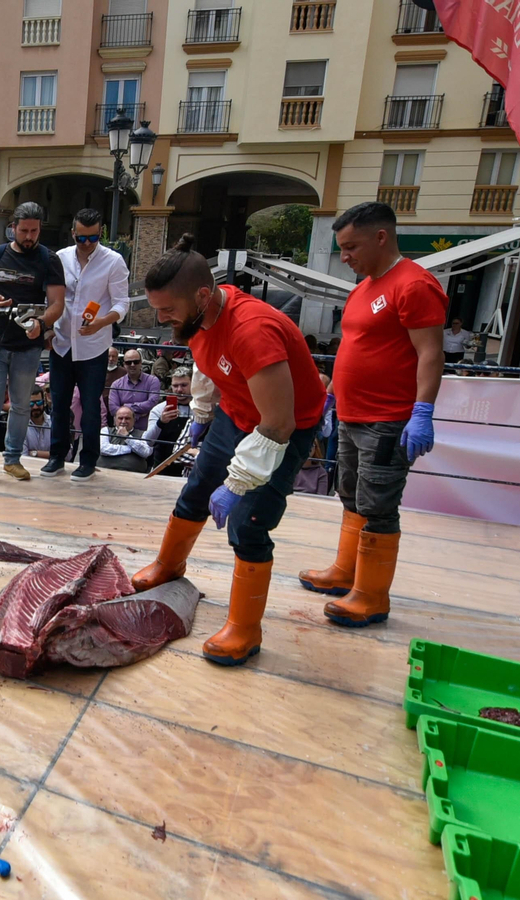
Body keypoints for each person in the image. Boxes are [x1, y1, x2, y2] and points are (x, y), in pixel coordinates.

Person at [132, 234, 326, 667]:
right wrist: (201, 416)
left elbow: (279, 422)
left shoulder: (252, 330)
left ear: (202, 294)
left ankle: (245, 627)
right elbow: (208, 368)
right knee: (196, 489)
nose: (161, 319)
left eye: (167, 310)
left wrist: (239, 481)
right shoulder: (197, 317)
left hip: (283, 428)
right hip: (235, 413)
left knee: (249, 521)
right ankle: (169, 564)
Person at [298, 202, 445, 628]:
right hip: (350, 413)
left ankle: (372, 595)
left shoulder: (414, 285)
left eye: (351, 247)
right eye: (342, 248)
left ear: (381, 237)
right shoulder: (364, 287)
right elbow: (353, 346)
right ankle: (346, 573)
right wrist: (330, 393)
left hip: (387, 419)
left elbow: (430, 352)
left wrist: (423, 410)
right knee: (350, 493)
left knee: (379, 504)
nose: (345, 257)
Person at [0, 204, 65, 485]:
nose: (29, 236)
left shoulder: (49, 259)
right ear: (13, 228)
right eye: (24, 231)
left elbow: (58, 304)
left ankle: (12, 460)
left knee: (21, 405)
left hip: (28, 346)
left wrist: (42, 324)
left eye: (34, 230)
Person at [41, 208, 130, 481]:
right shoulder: (60, 258)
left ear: (100, 233)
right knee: (59, 404)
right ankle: (57, 456)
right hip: (62, 342)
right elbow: (48, 297)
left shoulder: (113, 261)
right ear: (73, 234)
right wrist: (47, 334)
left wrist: (102, 322)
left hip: (94, 346)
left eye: (93, 238)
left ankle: (88, 460)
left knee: (91, 406)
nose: (88, 244)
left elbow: (122, 302)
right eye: (82, 238)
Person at [143, 366, 195, 472]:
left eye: (184, 385)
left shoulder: (202, 410)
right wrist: (161, 422)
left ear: (193, 384)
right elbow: (148, 441)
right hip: (162, 467)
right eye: (175, 386)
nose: (179, 389)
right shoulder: (159, 409)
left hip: (191, 467)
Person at [105, 349, 163, 432]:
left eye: (136, 362)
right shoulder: (116, 385)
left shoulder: (153, 381)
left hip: (146, 431)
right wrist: (139, 414)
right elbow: (113, 409)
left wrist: (126, 407)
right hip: (122, 431)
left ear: (141, 363)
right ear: (124, 364)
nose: (132, 365)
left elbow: (152, 403)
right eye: (129, 362)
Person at [98, 406, 152, 473]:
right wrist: (130, 449)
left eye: (127, 418)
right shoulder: (106, 430)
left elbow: (146, 452)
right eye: (120, 418)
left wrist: (127, 437)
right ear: (115, 419)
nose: (123, 421)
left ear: (134, 419)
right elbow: (103, 449)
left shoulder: (144, 434)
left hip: (133, 474)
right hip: (105, 471)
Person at [21, 389, 53, 460]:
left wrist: (34, 453)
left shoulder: (53, 423)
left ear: (44, 402)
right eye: (31, 403)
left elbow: (67, 455)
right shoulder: (21, 426)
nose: (35, 407)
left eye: (39, 402)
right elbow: (24, 457)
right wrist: (51, 454)